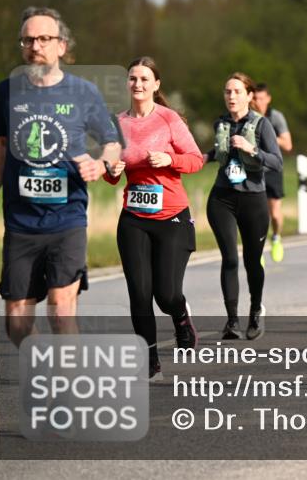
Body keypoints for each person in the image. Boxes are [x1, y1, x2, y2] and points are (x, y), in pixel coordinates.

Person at [0, 7, 121, 347]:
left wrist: (100, 165)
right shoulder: (7, 91)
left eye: (44, 38)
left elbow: (113, 143)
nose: (35, 46)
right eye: (28, 39)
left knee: (61, 310)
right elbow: (0, 143)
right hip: (21, 221)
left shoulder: (83, 92)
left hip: (67, 219)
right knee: (16, 323)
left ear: (61, 45)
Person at [104, 57, 204, 380]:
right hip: (134, 217)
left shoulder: (169, 119)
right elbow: (109, 173)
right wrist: (112, 170)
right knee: (139, 293)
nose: (138, 84)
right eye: (133, 78)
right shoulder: (117, 123)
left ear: (156, 84)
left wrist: (169, 159)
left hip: (172, 216)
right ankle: (149, 361)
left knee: (167, 294)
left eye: (145, 79)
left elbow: (196, 160)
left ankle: (181, 318)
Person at [205, 72, 283, 341]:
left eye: (237, 91)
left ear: (249, 96)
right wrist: (195, 158)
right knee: (229, 258)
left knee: (252, 261)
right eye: (228, 91)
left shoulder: (261, 125)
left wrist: (252, 150)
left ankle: (254, 313)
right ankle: (232, 321)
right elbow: (216, 152)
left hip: (253, 200)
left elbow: (277, 162)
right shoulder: (221, 124)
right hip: (222, 198)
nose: (231, 96)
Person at [253, 83, 292, 264]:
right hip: (254, 171)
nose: (258, 102)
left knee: (275, 214)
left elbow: (288, 144)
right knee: (258, 214)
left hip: (273, 170)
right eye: (255, 98)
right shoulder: (248, 116)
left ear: (268, 99)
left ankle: (276, 237)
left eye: (261, 98)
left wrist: (267, 135)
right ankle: (257, 248)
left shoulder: (275, 117)